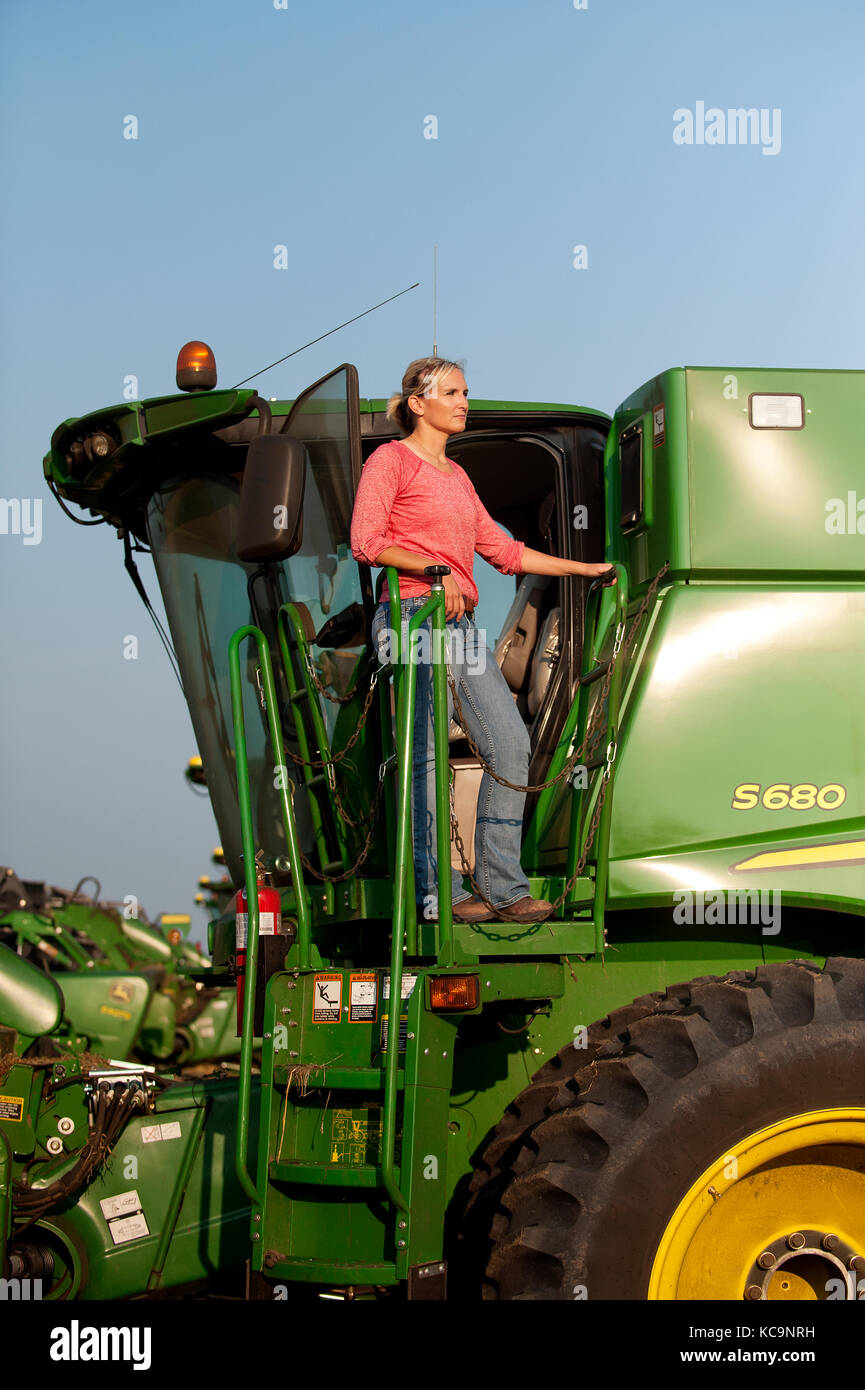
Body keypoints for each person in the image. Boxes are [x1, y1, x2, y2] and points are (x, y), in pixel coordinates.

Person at [350, 356, 615, 925]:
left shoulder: (458, 478)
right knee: (424, 760)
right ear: (418, 404)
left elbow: (505, 552)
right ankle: (432, 895)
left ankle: (500, 889)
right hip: (413, 618)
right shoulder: (390, 462)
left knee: (510, 746)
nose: (464, 401)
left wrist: (583, 570)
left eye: (466, 391)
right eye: (451, 392)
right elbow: (367, 541)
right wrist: (435, 571)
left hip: (459, 627)